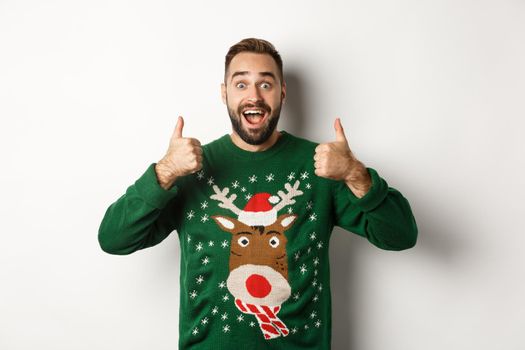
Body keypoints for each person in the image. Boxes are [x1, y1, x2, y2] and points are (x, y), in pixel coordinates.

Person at [98, 37, 418, 349]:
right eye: (241, 84)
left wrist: (355, 174)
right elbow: (114, 239)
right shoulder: (189, 169)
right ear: (225, 94)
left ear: (282, 92)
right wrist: (164, 172)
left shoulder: (324, 168)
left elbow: (401, 234)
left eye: (265, 84)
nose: (254, 96)